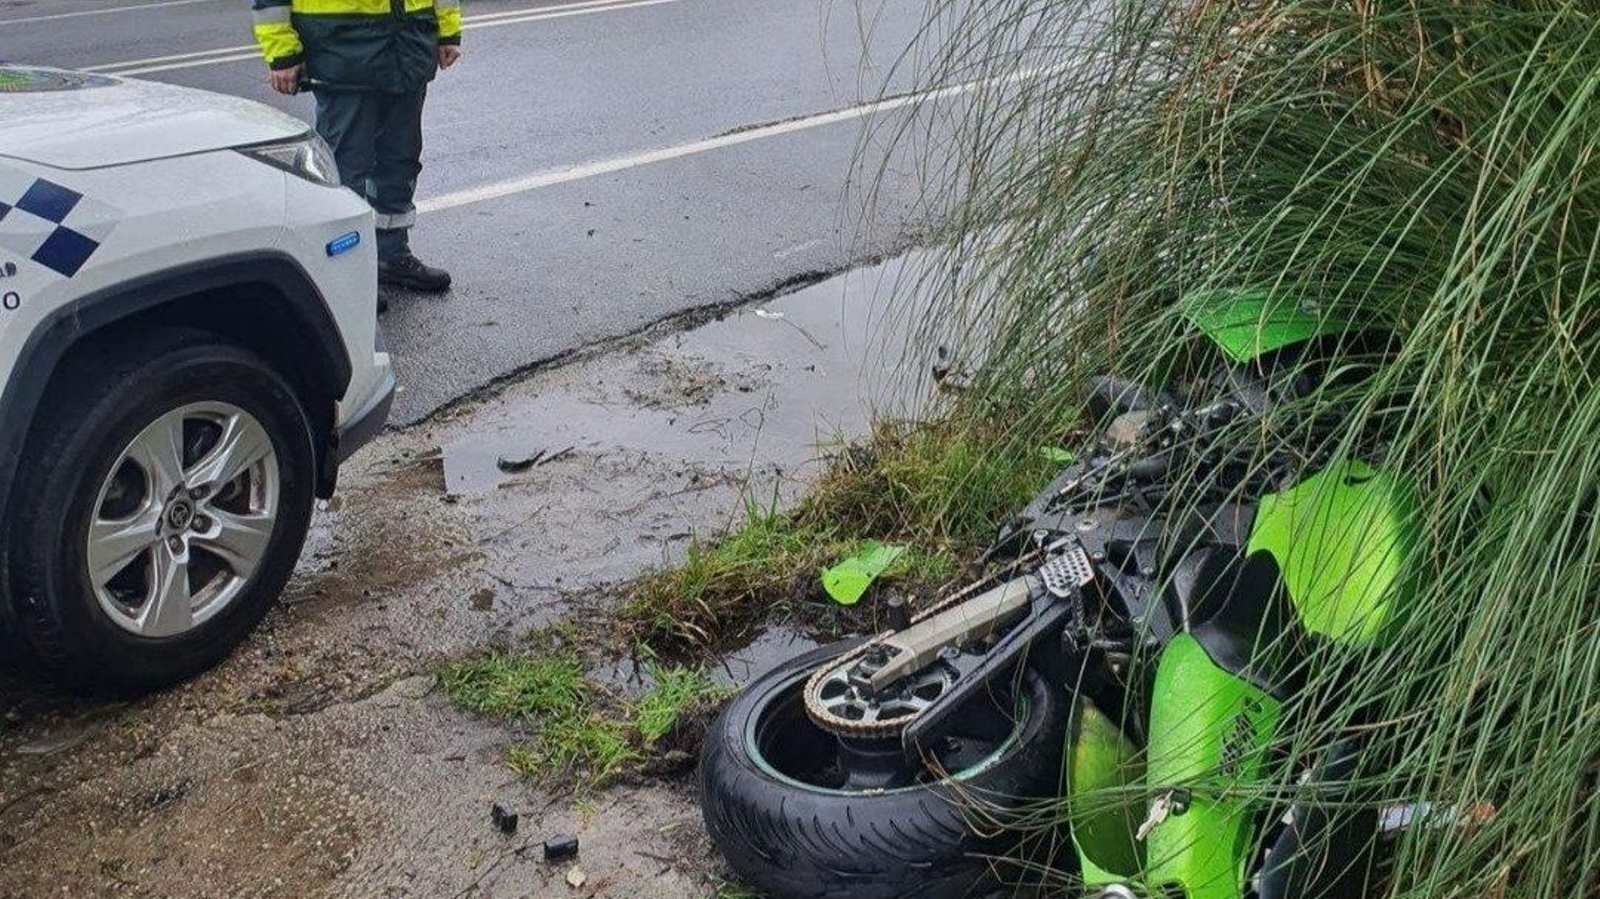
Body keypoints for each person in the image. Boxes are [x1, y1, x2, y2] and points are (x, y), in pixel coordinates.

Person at [251, 0, 461, 294]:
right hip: (343, 49)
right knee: (344, 169)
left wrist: (448, 31)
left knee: (400, 161)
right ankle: (344, 273)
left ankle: (391, 254)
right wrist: (282, 52)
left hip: (407, 47)